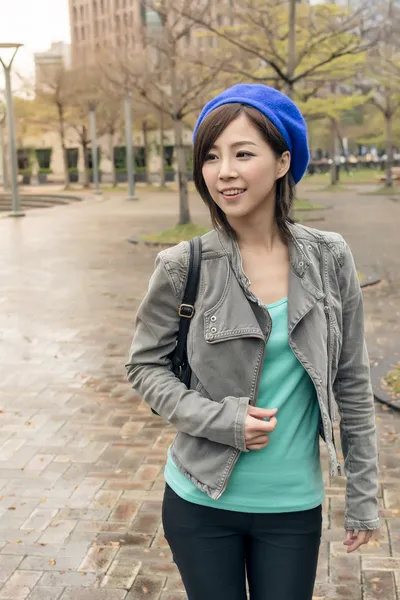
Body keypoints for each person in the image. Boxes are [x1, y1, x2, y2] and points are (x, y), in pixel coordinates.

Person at [125, 84, 379, 600]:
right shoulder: (183, 265)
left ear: (284, 161)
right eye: (212, 157)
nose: (224, 172)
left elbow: (352, 380)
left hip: (292, 506)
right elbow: (144, 367)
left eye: (244, 153)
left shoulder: (330, 258)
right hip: (201, 501)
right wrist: (221, 420)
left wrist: (363, 497)